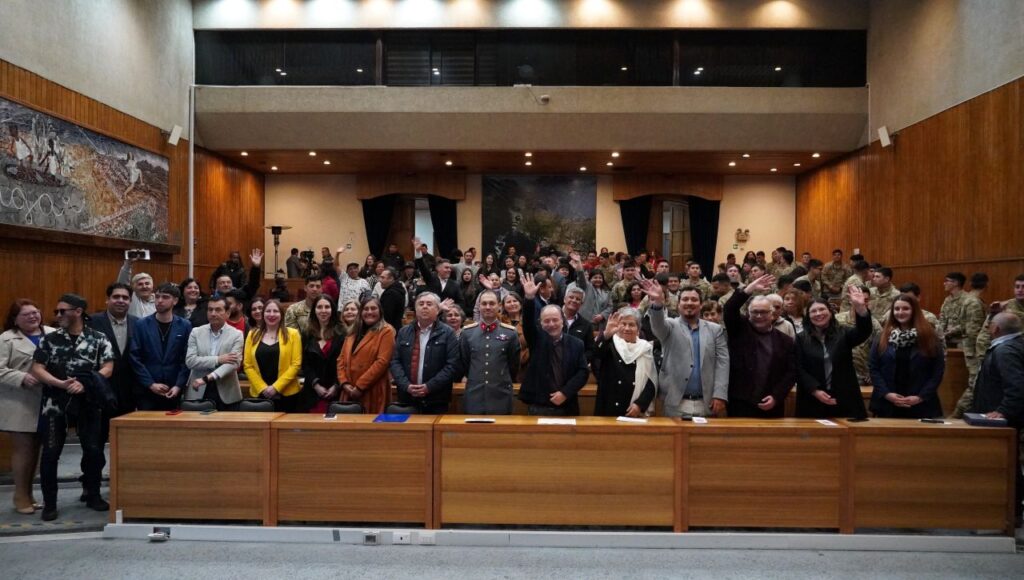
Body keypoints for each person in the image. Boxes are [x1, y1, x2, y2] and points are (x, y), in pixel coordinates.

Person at [31, 294, 114, 520]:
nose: (58, 315)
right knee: (50, 454)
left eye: (62, 311)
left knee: (93, 451)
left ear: (78, 312)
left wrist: (86, 384)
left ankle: (93, 494)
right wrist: (59, 383)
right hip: (55, 402)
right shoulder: (50, 339)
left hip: (88, 400)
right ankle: (50, 503)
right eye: (56, 311)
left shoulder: (98, 338)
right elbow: (37, 367)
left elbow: (108, 367)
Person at [967, 312, 1023, 525]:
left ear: (995, 329)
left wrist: (1004, 411)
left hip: (1000, 420)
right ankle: (1011, 511)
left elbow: (1016, 385)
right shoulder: (1014, 345)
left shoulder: (1005, 351)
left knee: (1005, 464)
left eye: (990, 324)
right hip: (1000, 416)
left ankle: (1009, 513)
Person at [644, 280, 729, 418]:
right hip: (675, 402)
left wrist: (720, 394)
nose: (689, 302)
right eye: (685, 299)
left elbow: (722, 363)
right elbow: (657, 324)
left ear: (701, 305)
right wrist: (658, 303)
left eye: (694, 299)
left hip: (707, 402)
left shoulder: (715, 330)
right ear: (678, 305)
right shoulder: (669, 326)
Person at [0, 300, 54, 515]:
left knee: (37, 450)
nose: (33, 317)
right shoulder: (6, 339)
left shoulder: (53, 333)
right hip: (20, 401)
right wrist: (21, 377)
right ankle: (20, 495)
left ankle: (30, 494)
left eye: (35, 312)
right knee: (24, 450)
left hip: (48, 400)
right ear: (15, 319)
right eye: (26, 314)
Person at [722, 274, 798, 418]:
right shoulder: (739, 329)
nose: (758, 316)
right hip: (740, 403)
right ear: (748, 313)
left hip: (772, 404)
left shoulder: (785, 341)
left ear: (772, 314)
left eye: (763, 312)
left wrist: (776, 396)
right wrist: (748, 289)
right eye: (754, 312)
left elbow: (791, 372)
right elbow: (729, 309)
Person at [795, 287, 873, 419]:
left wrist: (860, 308)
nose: (818, 313)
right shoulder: (801, 338)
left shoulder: (843, 333)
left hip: (843, 397)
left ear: (830, 312)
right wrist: (814, 390)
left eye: (822, 309)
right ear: (808, 316)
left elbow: (864, 331)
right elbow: (798, 367)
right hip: (812, 398)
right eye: (813, 311)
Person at [518, 273, 590, 416]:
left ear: (563, 321)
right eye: (546, 321)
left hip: (567, 404)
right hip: (539, 405)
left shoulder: (576, 344)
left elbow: (583, 372)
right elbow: (528, 323)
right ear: (541, 324)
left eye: (555, 320)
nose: (551, 324)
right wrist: (529, 298)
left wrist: (565, 392)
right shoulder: (536, 339)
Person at [869, 294, 945, 419]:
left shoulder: (929, 337)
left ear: (914, 311)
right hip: (887, 403)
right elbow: (874, 368)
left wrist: (920, 397)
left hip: (920, 405)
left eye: (905, 308)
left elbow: (937, 371)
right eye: (897, 309)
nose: (900, 312)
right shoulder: (882, 337)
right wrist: (887, 394)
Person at [390, 293, 460, 414]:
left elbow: (452, 365)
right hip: (407, 397)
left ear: (438, 310)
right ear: (415, 309)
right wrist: (406, 385)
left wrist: (429, 386)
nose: (424, 307)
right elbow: (395, 361)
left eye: (429, 304)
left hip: (436, 398)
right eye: (421, 304)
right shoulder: (403, 332)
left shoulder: (448, 333)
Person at [128, 284, 191, 411]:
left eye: (165, 297)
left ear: (175, 301)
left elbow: (186, 359)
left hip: (173, 388)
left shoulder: (184, 325)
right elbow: (134, 357)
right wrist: (150, 384)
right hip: (146, 388)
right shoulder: (141, 324)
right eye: (157, 297)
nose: (160, 300)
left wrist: (179, 385)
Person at [460, 290, 521, 414]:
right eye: (484, 303)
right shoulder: (467, 333)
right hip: (474, 394)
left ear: (499, 306)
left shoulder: (510, 333)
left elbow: (513, 365)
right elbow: (465, 363)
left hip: (501, 394)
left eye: (492, 303)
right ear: (479, 306)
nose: (488, 307)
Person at [592, 308, 658, 417]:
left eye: (631, 325)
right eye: (623, 324)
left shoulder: (645, 349)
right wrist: (606, 334)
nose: (627, 328)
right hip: (608, 407)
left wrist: (640, 404)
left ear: (638, 329)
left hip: (633, 410)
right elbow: (595, 354)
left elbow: (651, 382)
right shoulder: (609, 343)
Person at [183, 296, 244, 411]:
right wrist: (218, 359)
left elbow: (233, 363)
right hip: (198, 391)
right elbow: (190, 361)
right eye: (210, 309)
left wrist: (206, 378)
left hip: (227, 392)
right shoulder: (196, 332)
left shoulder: (236, 334)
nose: (213, 313)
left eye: (218, 310)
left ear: (228, 313)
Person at [87, 283, 139, 417]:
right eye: (116, 297)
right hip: (101, 386)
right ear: (107, 300)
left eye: (125, 298)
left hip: (129, 389)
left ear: (130, 301)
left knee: (124, 427)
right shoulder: (92, 322)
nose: (121, 300)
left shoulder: (138, 323)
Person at [243, 300, 303, 412]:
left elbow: (296, 364)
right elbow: (247, 365)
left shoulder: (293, 334)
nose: (271, 314)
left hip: (287, 394)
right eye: (268, 311)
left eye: (275, 311)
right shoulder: (252, 334)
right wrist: (262, 388)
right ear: (263, 314)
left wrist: (276, 387)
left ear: (281, 314)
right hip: (260, 393)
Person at [301, 296, 345, 414]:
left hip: (336, 391)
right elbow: (305, 363)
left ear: (332, 310)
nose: (323, 310)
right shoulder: (307, 333)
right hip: (312, 392)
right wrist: (316, 385)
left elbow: (345, 363)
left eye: (327, 307)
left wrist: (336, 385)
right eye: (319, 307)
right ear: (314, 310)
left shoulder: (342, 332)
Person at [501, 292, 530, 382]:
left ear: (520, 303)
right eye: (508, 302)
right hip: (504, 364)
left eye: (515, 301)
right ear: (503, 306)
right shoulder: (499, 321)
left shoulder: (528, 320)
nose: (512, 304)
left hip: (526, 364)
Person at [939, 272, 970, 348]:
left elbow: (970, 322)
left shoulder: (968, 299)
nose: (944, 283)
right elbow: (942, 319)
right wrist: (940, 332)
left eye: (947, 281)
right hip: (946, 340)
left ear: (956, 283)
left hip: (962, 341)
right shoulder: (947, 300)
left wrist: (953, 330)